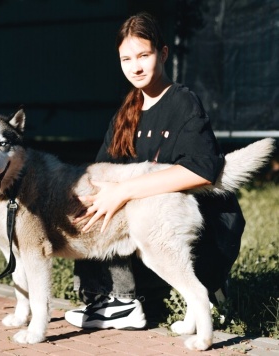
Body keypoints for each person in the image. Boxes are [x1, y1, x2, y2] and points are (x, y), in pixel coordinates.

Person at [64, 12, 245, 330]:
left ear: (162, 53)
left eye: (143, 55)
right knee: (93, 202)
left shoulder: (183, 102)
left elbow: (202, 171)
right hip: (149, 226)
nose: (135, 66)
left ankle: (201, 287)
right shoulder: (127, 111)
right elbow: (103, 174)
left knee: (123, 201)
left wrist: (124, 191)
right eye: (126, 59)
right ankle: (120, 296)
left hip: (200, 223)